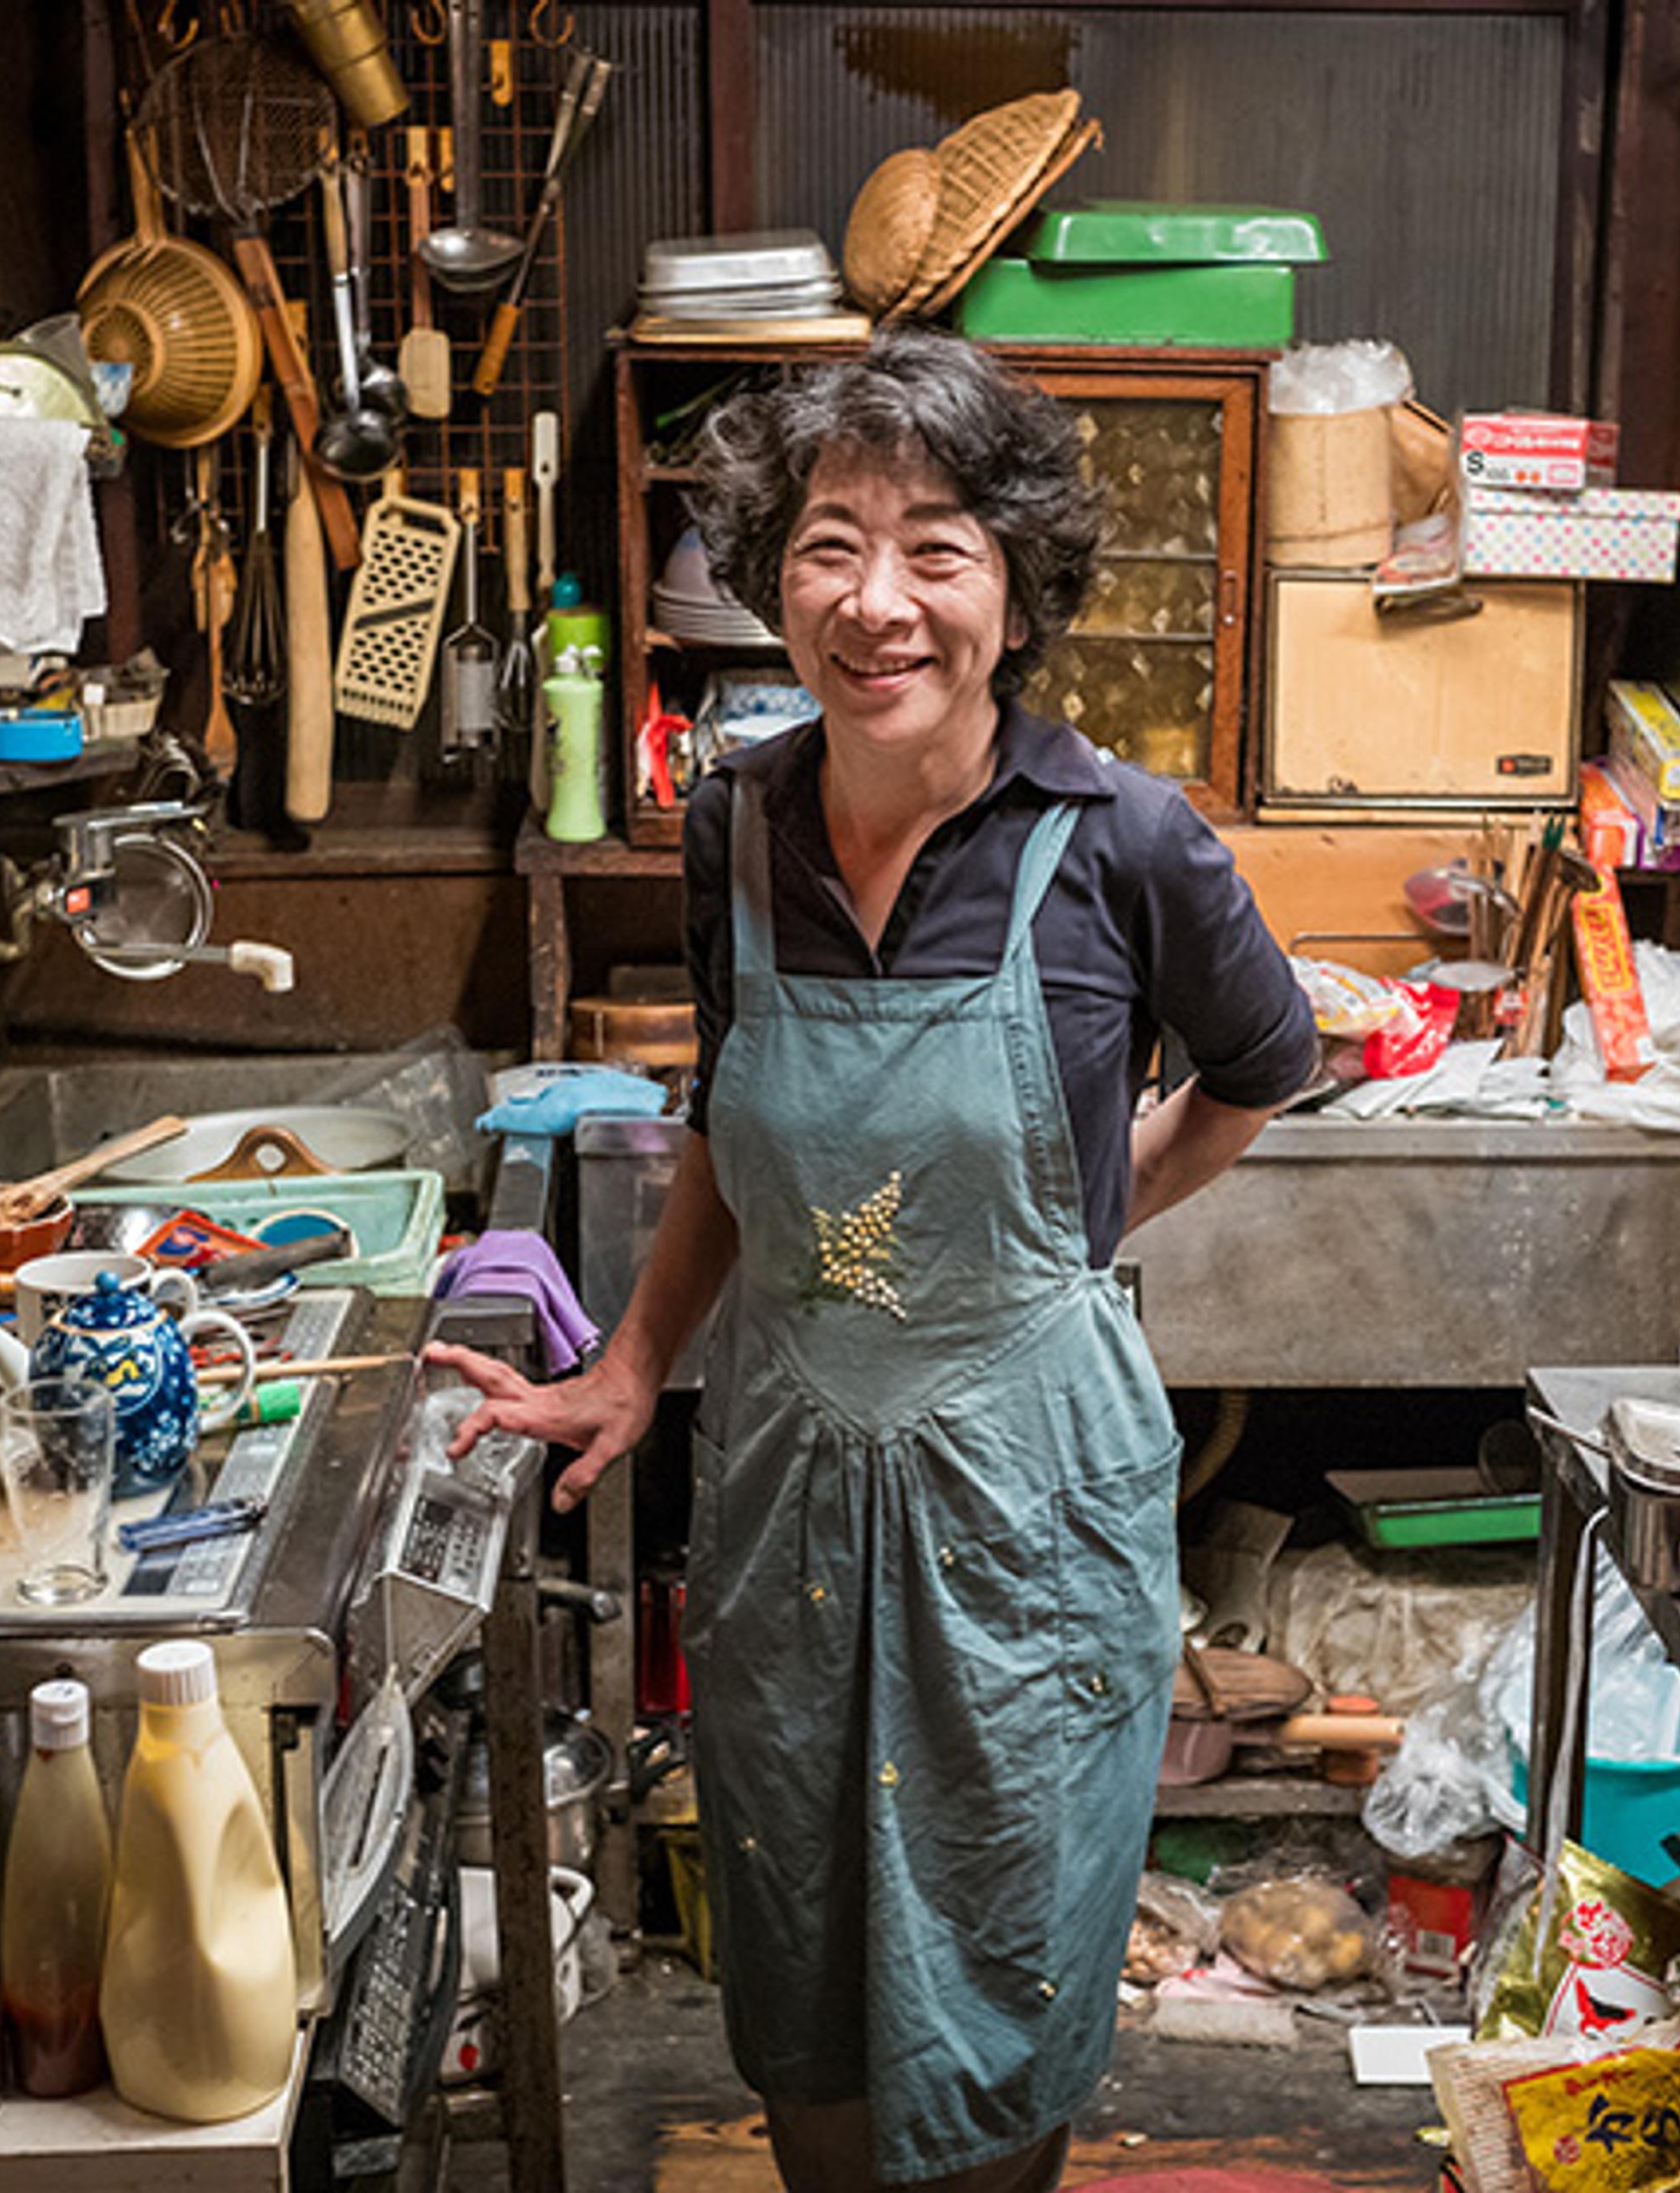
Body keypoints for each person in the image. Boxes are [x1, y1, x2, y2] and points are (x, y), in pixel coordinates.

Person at [427, 328, 1317, 2190]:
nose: (877, 599)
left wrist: (1079, 1229)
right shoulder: (735, 822)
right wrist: (635, 1355)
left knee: (1002, 1969)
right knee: (803, 1944)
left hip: (1028, 1501)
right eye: (832, 542)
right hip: (791, 1482)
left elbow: (1262, 1067)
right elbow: (737, 1136)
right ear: (774, 577)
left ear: (1016, 581)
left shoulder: (1125, 844)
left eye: (936, 545)